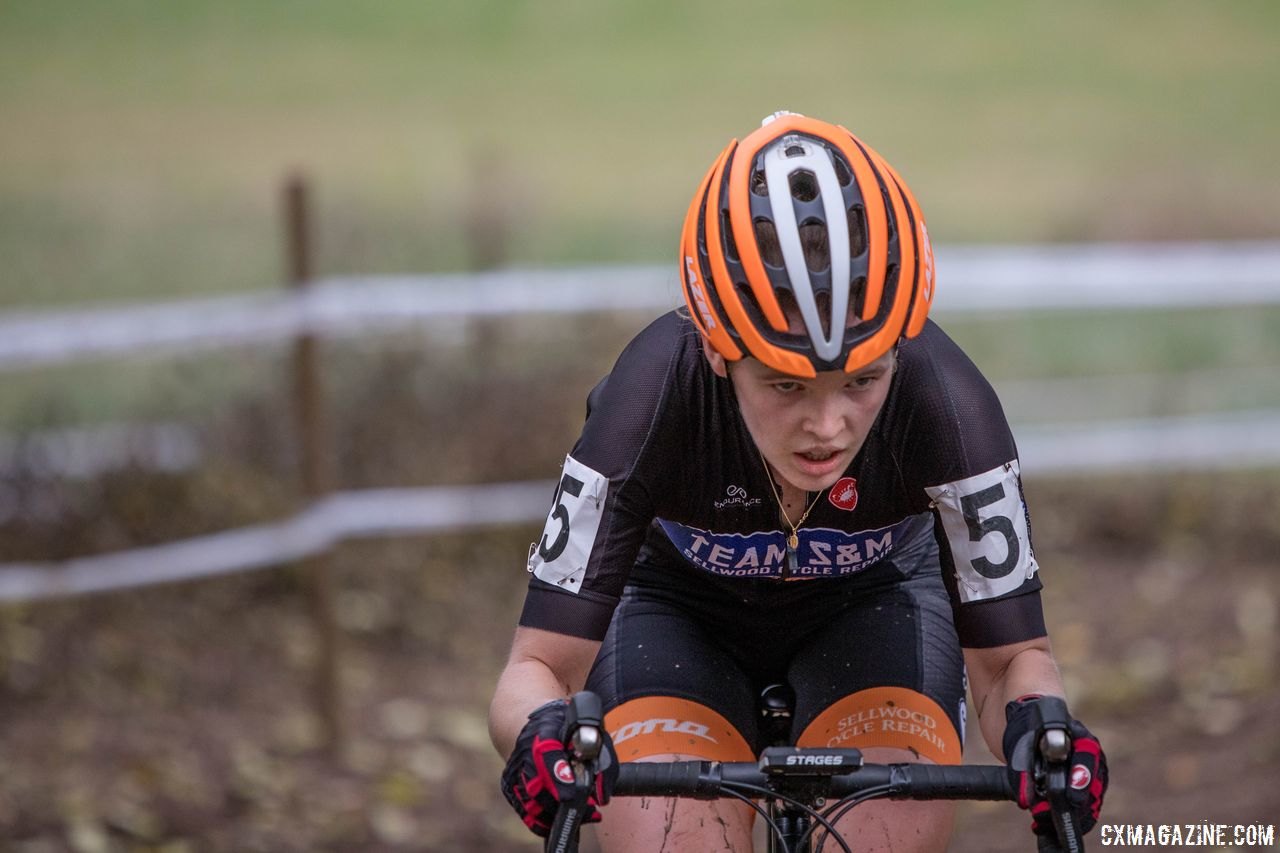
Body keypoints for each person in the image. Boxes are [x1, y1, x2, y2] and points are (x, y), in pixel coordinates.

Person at [489, 111, 1107, 852]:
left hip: (875, 606)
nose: (828, 425)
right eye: (786, 385)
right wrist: (540, 736)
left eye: (863, 379)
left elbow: (1012, 666)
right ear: (719, 350)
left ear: (900, 346)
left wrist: (1047, 730)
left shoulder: (949, 405)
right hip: (676, 611)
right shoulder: (649, 396)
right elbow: (534, 669)